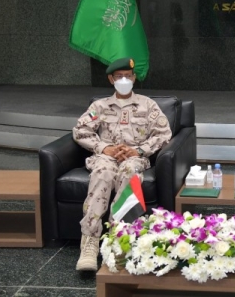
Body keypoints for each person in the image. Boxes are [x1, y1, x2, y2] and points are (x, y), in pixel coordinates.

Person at [73, 57, 172, 271]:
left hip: (134, 157)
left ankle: (118, 237)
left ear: (134, 78)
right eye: (119, 77)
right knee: (103, 172)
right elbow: (80, 131)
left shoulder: (148, 105)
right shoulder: (99, 106)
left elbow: (164, 134)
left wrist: (138, 150)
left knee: (129, 172)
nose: (124, 80)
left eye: (128, 76)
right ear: (111, 79)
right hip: (106, 157)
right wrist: (103, 148)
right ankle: (89, 242)